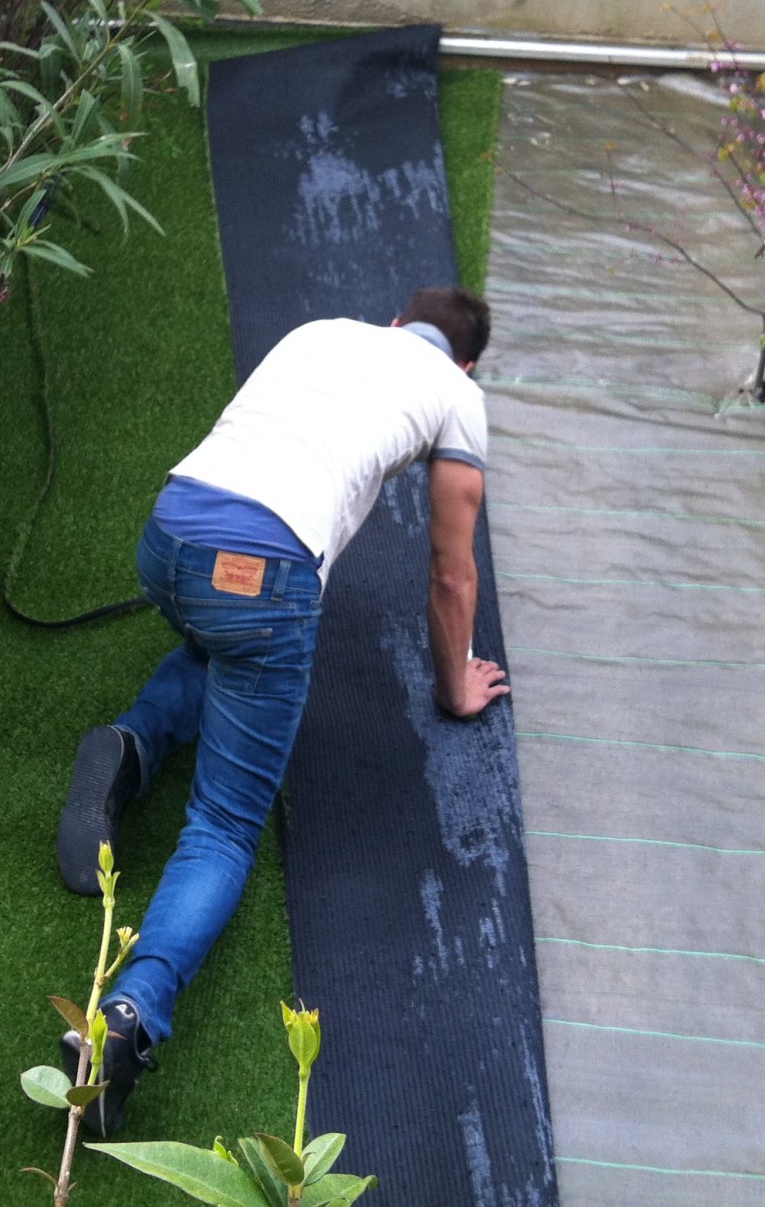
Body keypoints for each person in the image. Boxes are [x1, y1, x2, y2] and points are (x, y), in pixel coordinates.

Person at [53, 285, 510, 1135]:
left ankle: (126, 745)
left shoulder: (324, 330)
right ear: (469, 358)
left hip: (171, 535)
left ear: (395, 321)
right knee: (225, 825)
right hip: (264, 573)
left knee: (219, 640)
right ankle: (127, 1020)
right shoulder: (458, 394)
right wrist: (455, 685)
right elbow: (452, 566)